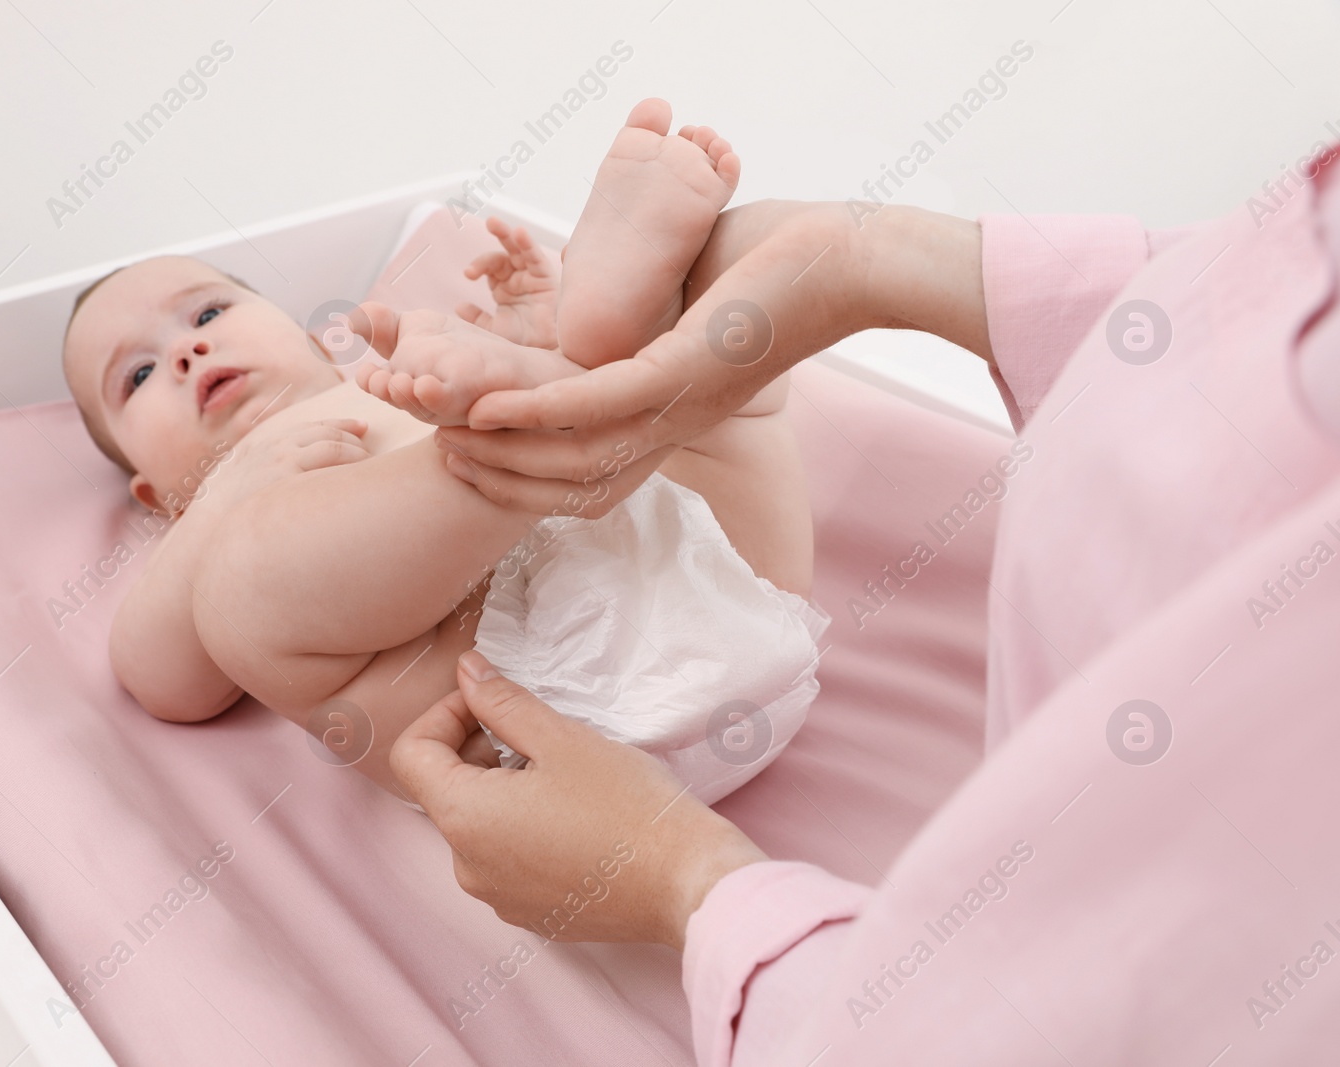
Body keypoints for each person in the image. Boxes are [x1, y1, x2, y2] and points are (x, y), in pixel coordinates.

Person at [388, 140, 1340, 1061]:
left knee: (702, 452)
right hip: (759, 636)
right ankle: (599, 335)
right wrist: (865, 259)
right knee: (715, 434)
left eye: (229, 304)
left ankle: (575, 350)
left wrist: (687, 881)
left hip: (632, 687)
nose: (227, 342)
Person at [57, 102, 830, 805]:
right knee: (233, 591)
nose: (187, 350)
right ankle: (558, 413)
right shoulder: (221, 510)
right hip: (525, 734)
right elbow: (163, 681)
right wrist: (219, 506)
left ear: (314, 343)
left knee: (685, 418)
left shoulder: (395, 377)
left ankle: (635, 344)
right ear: (157, 495)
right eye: (138, 374)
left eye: (209, 310)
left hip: (724, 586)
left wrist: (527, 337)